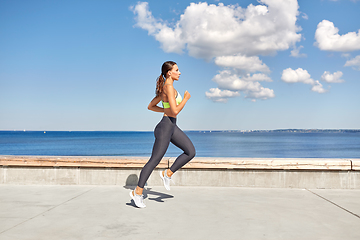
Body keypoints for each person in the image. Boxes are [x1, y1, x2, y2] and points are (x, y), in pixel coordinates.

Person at [129, 61, 196, 208]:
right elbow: (175, 111)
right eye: (177, 70)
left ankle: (168, 173)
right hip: (165, 127)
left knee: (190, 151)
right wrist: (185, 99)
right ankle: (137, 193)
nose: (179, 72)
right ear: (169, 73)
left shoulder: (167, 88)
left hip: (172, 126)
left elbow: (151, 106)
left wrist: (165, 111)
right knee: (154, 160)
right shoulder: (168, 87)